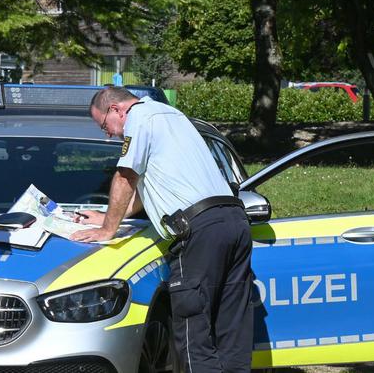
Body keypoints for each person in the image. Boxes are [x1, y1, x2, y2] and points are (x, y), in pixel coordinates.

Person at [71, 86, 254, 372]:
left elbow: (125, 177)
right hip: (234, 221)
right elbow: (149, 187)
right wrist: (107, 215)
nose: (108, 134)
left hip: (199, 230)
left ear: (117, 109)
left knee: (195, 329)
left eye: (104, 126)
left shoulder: (140, 118)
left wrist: (108, 230)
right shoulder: (172, 115)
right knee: (232, 326)